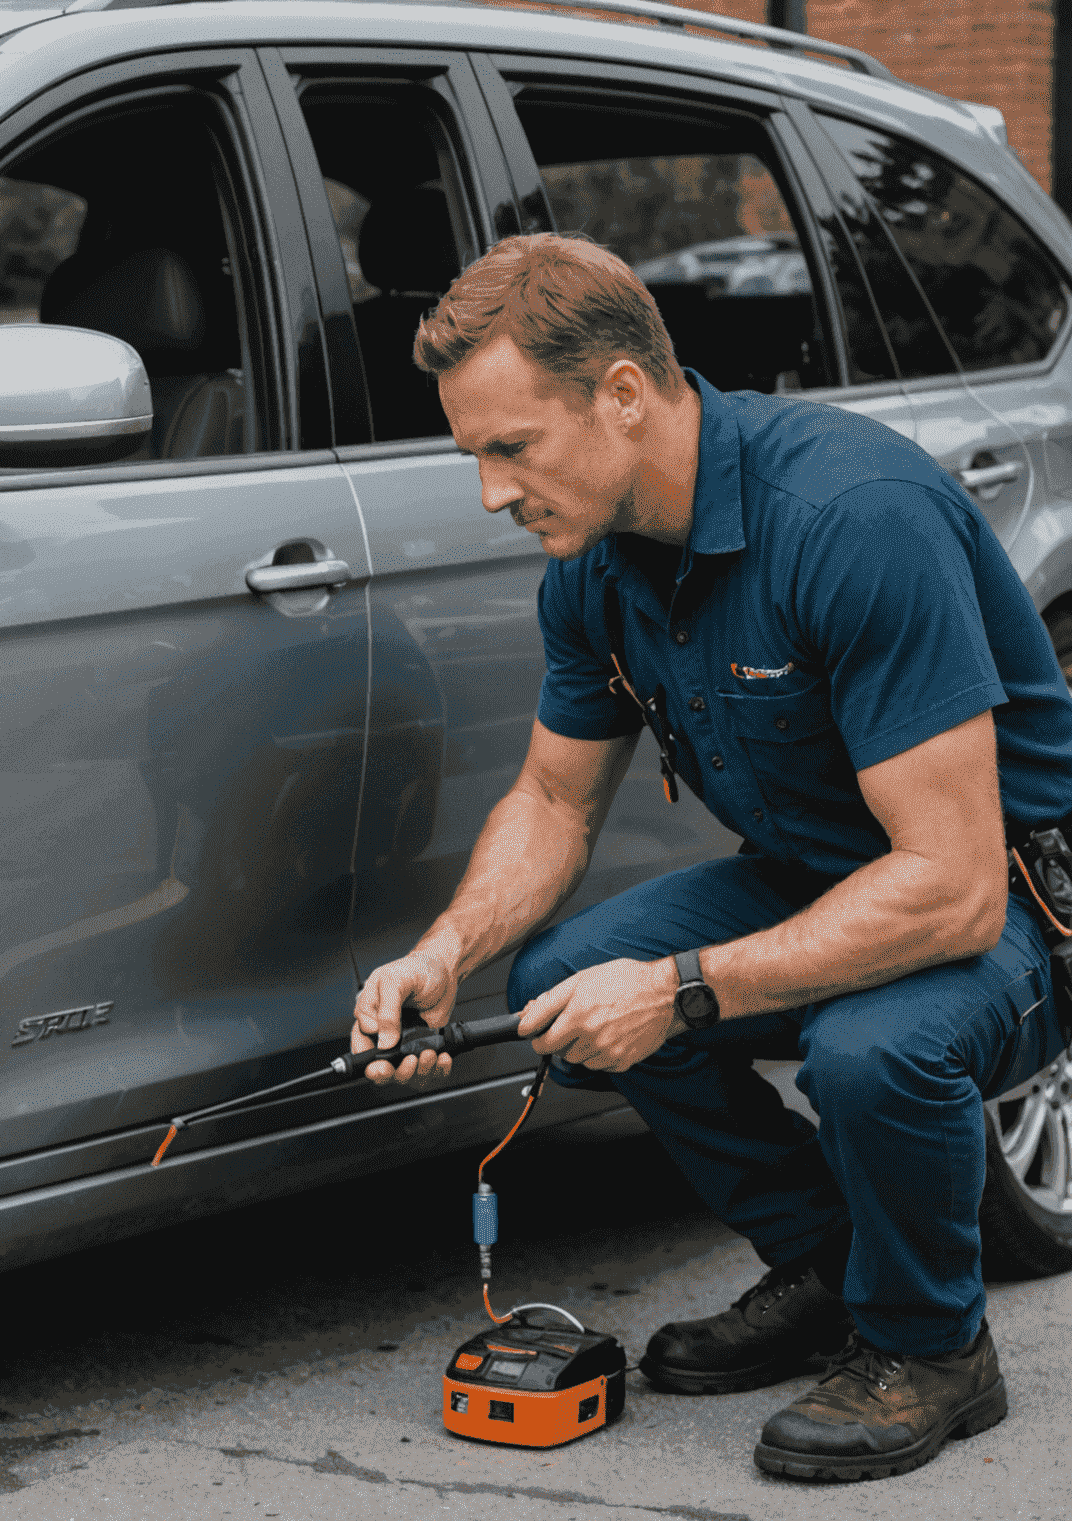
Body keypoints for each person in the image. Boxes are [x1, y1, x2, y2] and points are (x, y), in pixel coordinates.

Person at [349, 233, 1072, 1481]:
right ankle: (831, 1269)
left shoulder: (852, 518)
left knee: (870, 1050)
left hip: (1014, 899)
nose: (490, 491)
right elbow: (554, 800)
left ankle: (934, 1347)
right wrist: (445, 951)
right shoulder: (596, 561)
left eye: (511, 447)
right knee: (561, 980)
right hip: (826, 872)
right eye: (473, 453)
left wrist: (684, 989)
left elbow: (950, 893)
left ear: (623, 394)